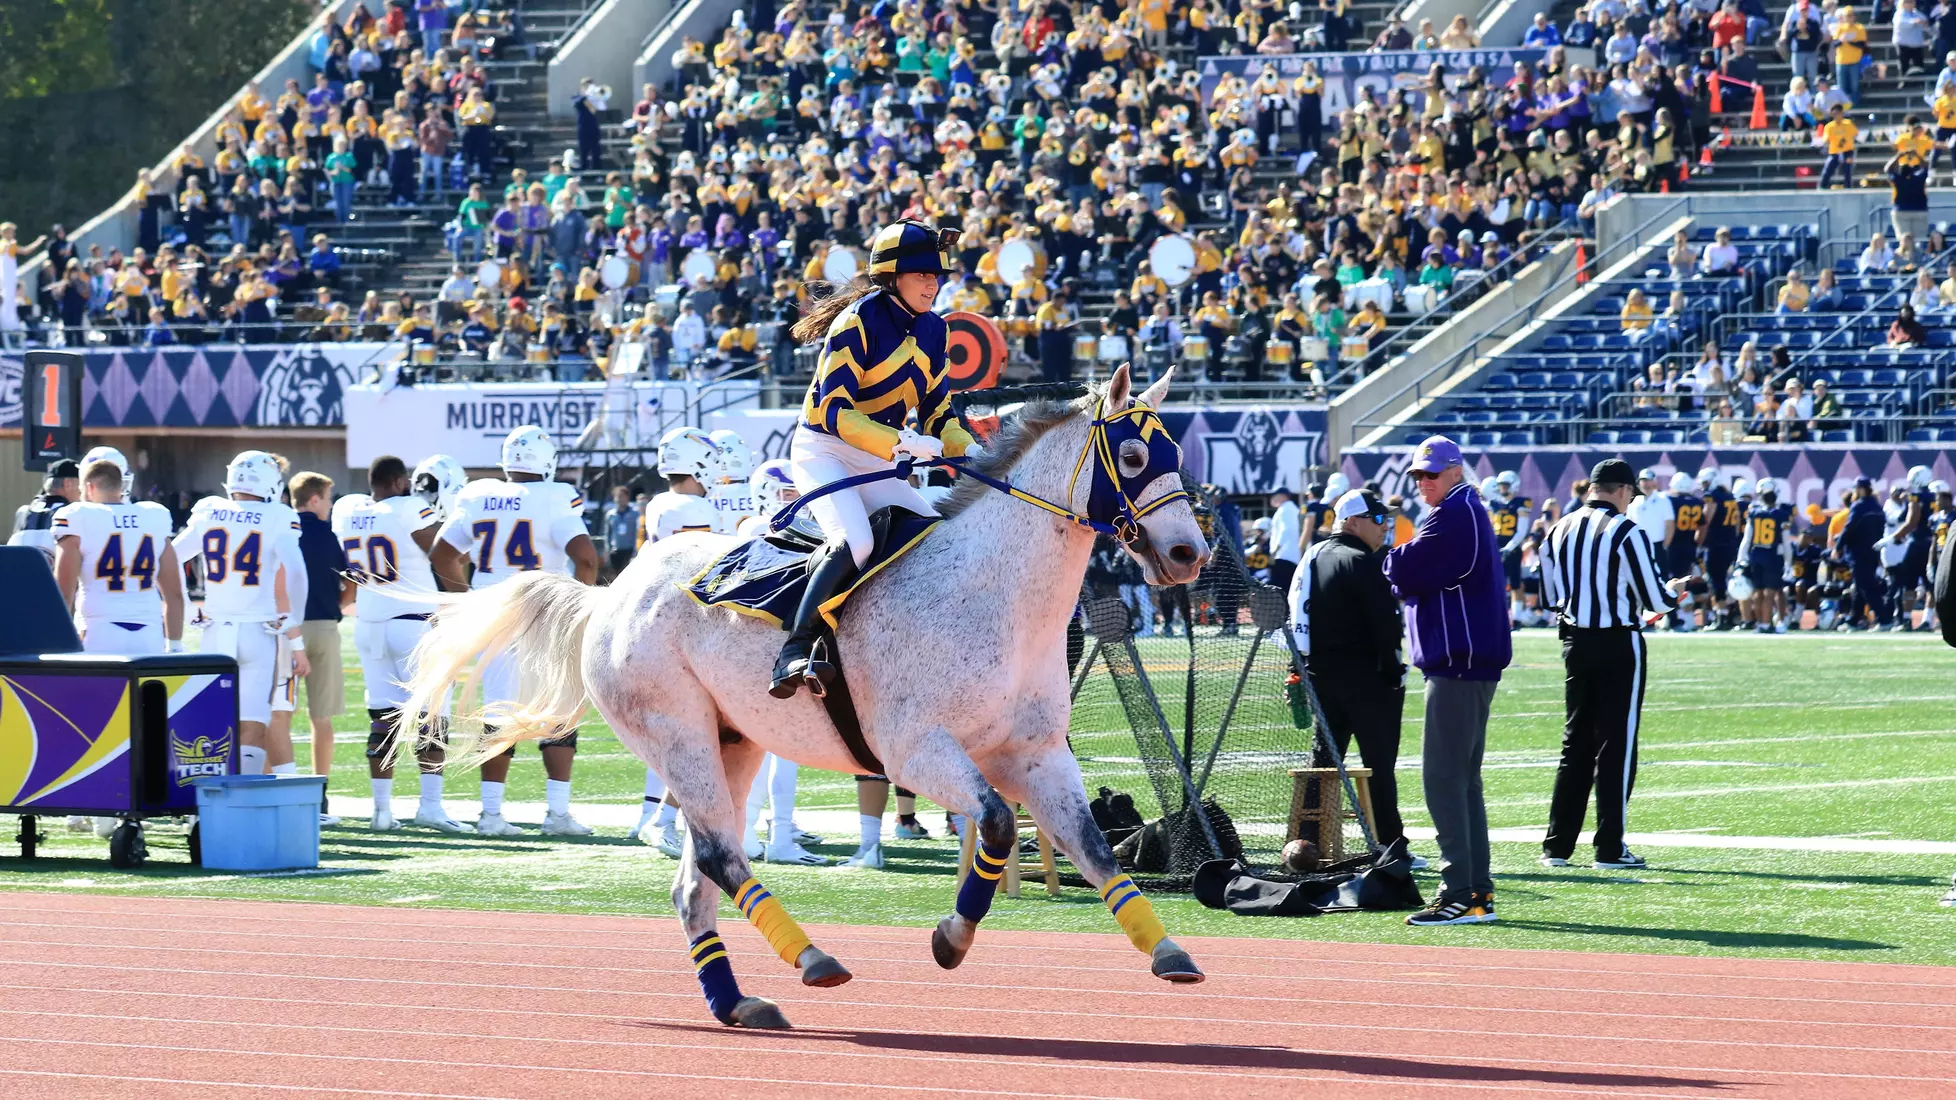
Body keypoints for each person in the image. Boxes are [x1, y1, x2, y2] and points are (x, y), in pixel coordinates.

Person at [772, 219, 977, 698]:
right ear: (892, 276)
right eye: (923, 274)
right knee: (857, 541)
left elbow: (939, 411)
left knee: (938, 539)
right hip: (824, 451)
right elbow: (834, 413)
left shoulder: (935, 331)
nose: (934, 283)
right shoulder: (856, 322)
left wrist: (969, 449)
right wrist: (903, 444)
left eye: (938, 275)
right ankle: (795, 649)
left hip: (876, 457)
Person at [432, 428, 601, 836]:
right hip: (544, 613)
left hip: (497, 617)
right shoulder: (555, 496)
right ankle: (556, 813)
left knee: (497, 713)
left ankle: (491, 814)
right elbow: (587, 558)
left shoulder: (478, 494)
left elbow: (442, 554)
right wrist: (580, 609)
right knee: (560, 711)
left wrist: (469, 601)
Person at [1382, 436, 1512, 926]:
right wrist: (1402, 566)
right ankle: (1476, 892)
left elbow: (1404, 566)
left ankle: (1460, 891)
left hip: (1459, 660)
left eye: (1431, 474)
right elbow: (1410, 569)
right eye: (1418, 475)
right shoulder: (1463, 507)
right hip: (1467, 659)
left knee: (1443, 779)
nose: (1423, 482)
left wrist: (1396, 562)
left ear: (1456, 471)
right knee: (1463, 782)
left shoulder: (1454, 512)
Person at [1537, 460, 1686, 871]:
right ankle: (1609, 847)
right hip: (1618, 641)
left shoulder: (1559, 528)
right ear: (1622, 490)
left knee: (1575, 743)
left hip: (1574, 640)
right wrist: (1673, 592)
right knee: (1617, 744)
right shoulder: (1626, 531)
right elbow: (1655, 599)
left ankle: (1557, 846)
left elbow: (1550, 594)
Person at [334, 454, 461, 831]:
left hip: (369, 622)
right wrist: (461, 599)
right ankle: (431, 806)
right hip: (412, 621)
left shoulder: (350, 511)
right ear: (399, 481)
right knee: (433, 714)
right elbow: (442, 552)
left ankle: (382, 812)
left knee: (382, 718)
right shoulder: (409, 507)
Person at [173, 451, 312, 778]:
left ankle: (202, 805)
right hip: (258, 632)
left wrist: (186, 605)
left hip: (215, 631)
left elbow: (170, 556)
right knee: (252, 721)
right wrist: (293, 624)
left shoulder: (209, 509)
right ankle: (244, 798)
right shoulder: (278, 515)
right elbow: (297, 572)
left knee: (208, 720)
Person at [1289, 489, 1410, 855]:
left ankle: (1307, 842)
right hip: (1367, 680)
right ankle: (1389, 845)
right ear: (1352, 521)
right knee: (1378, 766)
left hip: (1320, 676)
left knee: (1323, 763)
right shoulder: (1363, 561)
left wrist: (1296, 672)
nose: (1384, 526)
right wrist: (1393, 673)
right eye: (1377, 519)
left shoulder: (1312, 555)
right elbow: (1385, 626)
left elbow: (1295, 619)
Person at [51, 450, 183, 656]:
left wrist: (57, 643)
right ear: (122, 485)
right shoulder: (154, 516)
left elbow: (63, 593)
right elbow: (174, 594)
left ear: (89, 486)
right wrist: (174, 646)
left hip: (98, 631)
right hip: (149, 634)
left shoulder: (78, 517)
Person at [290, 470, 351, 825]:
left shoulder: (283, 529)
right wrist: (334, 608)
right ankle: (321, 795)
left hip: (285, 629)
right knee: (321, 716)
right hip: (324, 627)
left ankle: (272, 785)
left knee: (277, 715)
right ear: (314, 499)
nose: (329, 504)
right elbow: (350, 584)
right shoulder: (327, 535)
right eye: (326, 498)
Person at [1738, 477, 1796, 633]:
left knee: (1757, 593)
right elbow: (1786, 543)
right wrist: (1788, 564)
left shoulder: (1753, 512)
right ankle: (1766, 624)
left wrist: (1740, 559)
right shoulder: (1780, 514)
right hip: (1772, 556)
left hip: (1756, 554)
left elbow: (1746, 539)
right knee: (1770, 593)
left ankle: (1761, 624)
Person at [1832, 476, 1890, 628]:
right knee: (1859, 587)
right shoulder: (1877, 507)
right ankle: (1853, 620)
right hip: (1873, 552)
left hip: (1858, 553)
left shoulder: (1858, 506)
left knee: (1866, 587)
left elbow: (1849, 528)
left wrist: (1838, 546)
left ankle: (1884, 619)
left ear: (1861, 489)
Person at [9, 458, 80, 563]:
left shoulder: (22, 513)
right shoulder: (72, 513)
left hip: (17, 578)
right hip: (53, 578)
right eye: (81, 483)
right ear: (67, 484)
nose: (83, 489)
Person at [1487, 471, 1533, 627]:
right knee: (1494, 583)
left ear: (1514, 486)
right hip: (1496, 546)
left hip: (1511, 548)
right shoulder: (1494, 504)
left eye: (1505, 486)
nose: (1502, 489)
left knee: (1515, 583)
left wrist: (1509, 547)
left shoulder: (1521, 503)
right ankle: (1495, 615)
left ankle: (1517, 618)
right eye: (1500, 486)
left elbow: (1522, 530)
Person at [1266, 486, 1301, 591]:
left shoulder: (1285, 509)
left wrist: (1274, 552)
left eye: (1275, 495)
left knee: (1280, 592)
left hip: (1284, 557)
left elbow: (1286, 531)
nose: (1272, 498)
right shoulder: (1291, 509)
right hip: (1291, 557)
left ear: (1284, 496)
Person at [603, 485, 639, 575]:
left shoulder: (635, 514)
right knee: (616, 575)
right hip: (616, 550)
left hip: (630, 550)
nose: (620, 499)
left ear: (627, 497)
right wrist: (608, 549)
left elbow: (637, 532)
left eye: (622, 496)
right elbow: (608, 533)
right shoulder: (611, 515)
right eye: (617, 496)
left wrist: (636, 549)